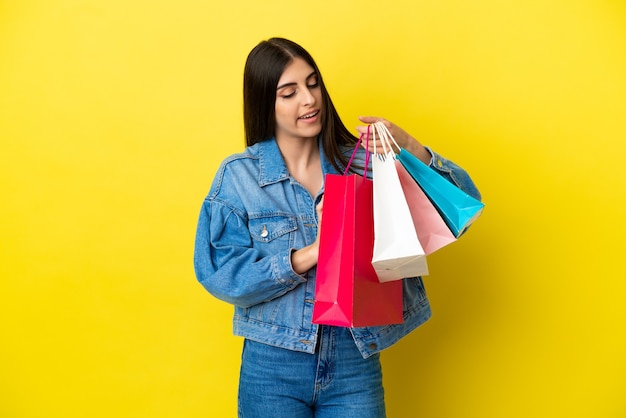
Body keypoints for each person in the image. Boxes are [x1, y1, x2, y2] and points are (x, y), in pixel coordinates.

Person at [194, 37, 481, 418]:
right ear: (265, 102)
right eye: (289, 92)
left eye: (313, 84)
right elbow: (220, 274)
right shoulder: (239, 177)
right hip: (272, 365)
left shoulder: (362, 163)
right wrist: (311, 253)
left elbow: (459, 210)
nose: (309, 99)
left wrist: (410, 146)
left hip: (354, 360)